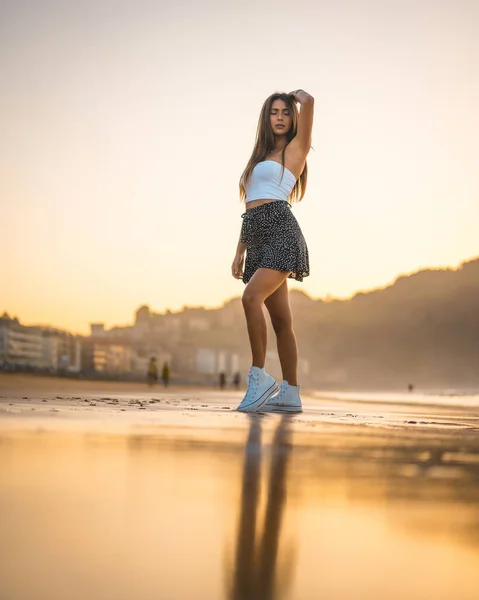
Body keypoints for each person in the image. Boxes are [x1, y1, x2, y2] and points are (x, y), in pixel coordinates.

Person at [232, 90, 314, 413]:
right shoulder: (259, 158)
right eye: (274, 112)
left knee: (251, 298)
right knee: (282, 322)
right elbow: (250, 204)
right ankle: (291, 393)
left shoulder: (296, 150)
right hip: (257, 236)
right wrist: (240, 249)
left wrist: (295, 97)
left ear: (291, 119)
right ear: (266, 119)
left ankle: (259, 375)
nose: (279, 117)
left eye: (284, 112)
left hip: (281, 231)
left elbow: (308, 102)